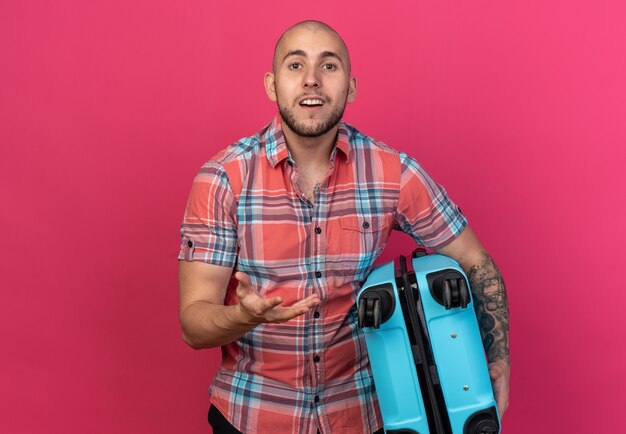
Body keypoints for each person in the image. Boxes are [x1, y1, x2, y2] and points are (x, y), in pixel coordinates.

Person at [178, 20, 510, 434]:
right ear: (272, 84)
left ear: (350, 87)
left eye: (328, 66)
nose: (312, 80)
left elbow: (476, 261)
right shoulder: (222, 179)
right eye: (295, 66)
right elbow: (193, 323)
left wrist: (496, 359)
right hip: (251, 415)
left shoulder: (394, 173)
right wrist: (244, 317)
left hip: (361, 416)